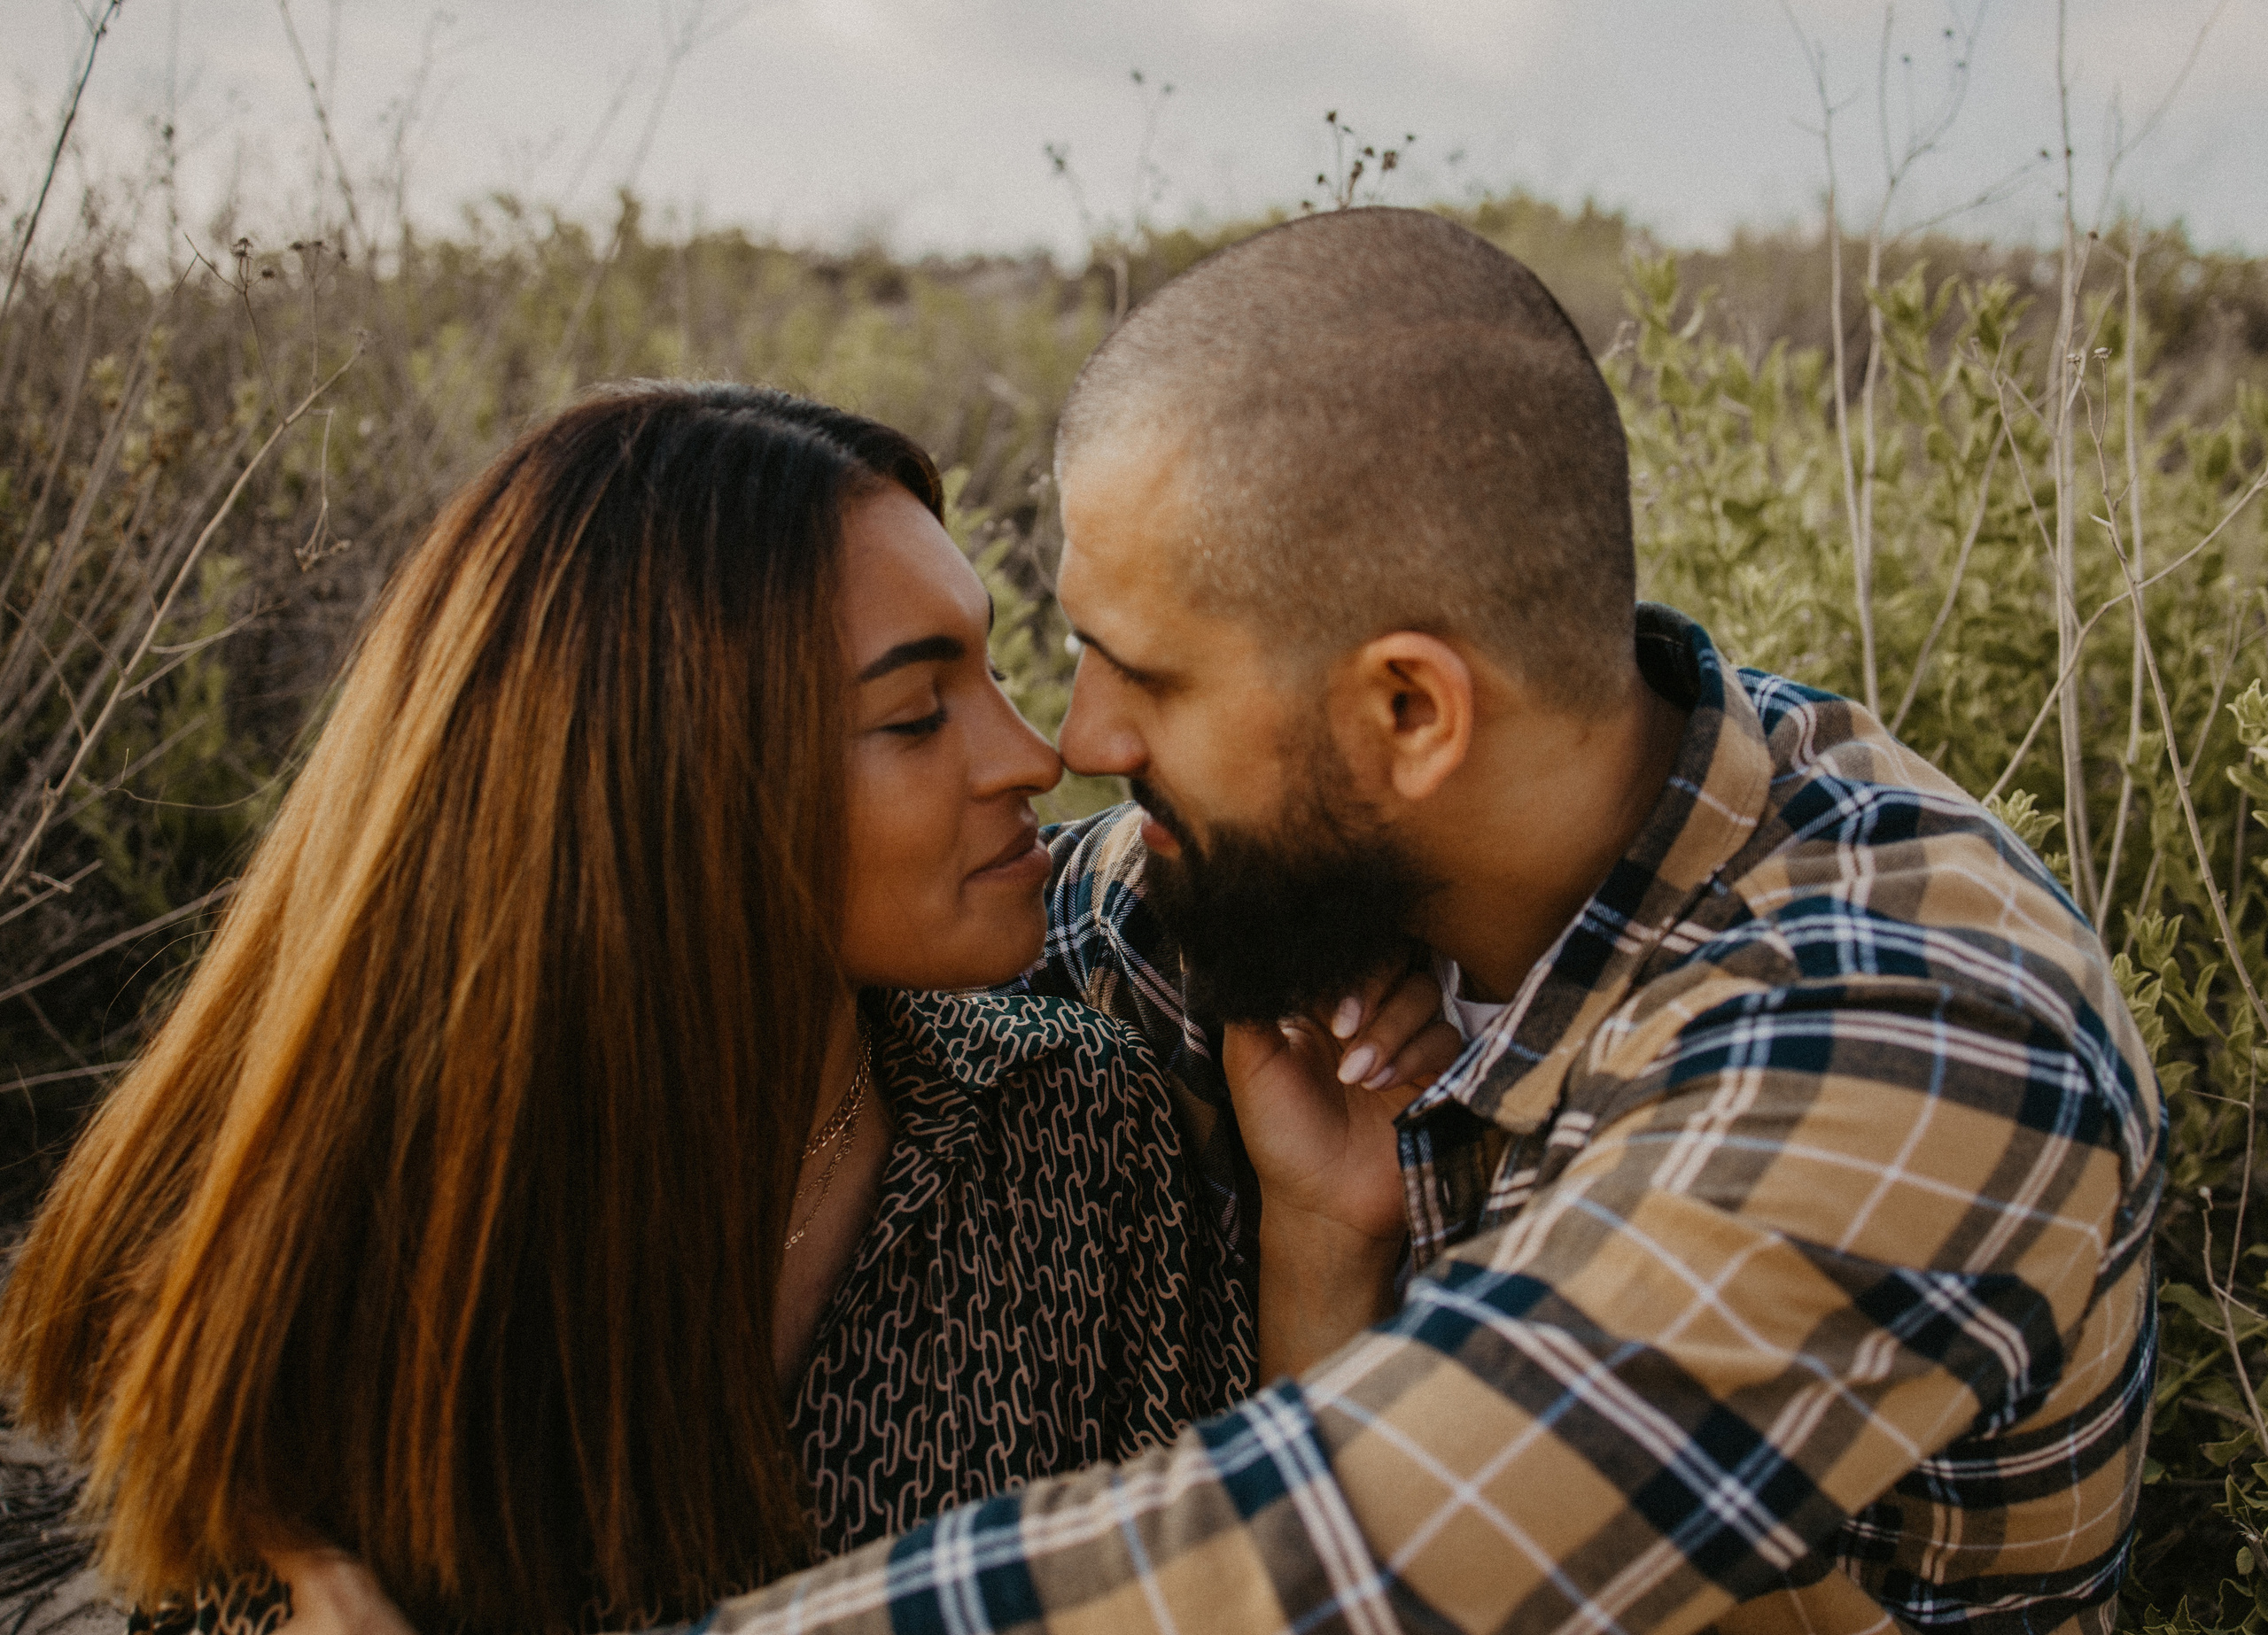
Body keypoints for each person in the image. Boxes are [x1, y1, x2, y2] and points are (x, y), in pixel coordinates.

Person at [680, 208, 2162, 1635]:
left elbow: (1344, 1566)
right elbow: (815, 906)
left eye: (1144, 675)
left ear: (1408, 711)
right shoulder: (1287, 864)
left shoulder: (1923, 1021)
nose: (1081, 739)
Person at [0, 383, 1455, 1634]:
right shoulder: (340, 1246)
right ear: (674, 790)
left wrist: (1324, 1239)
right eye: (912, 713)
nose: (1036, 752)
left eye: (993, 667)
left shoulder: (1068, 1135)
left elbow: (1229, 1598)